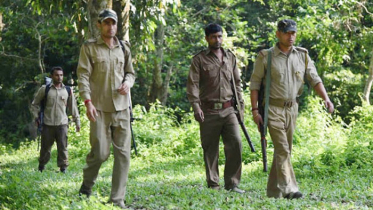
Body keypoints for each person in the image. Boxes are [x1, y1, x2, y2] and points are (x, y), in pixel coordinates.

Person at [250, 19, 334, 199]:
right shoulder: (266, 56)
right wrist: (255, 111)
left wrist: (326, 99)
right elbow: (255, 85)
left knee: (285, 149)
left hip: (292, 109)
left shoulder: (302, 55)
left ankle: (274, 192)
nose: (291, 36)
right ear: (278, 34)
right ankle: (290, 189)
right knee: (282, 149)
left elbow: (314, 79)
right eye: (287, 33)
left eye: (293, 33)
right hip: (272, 108)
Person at [76, 8, 135, 209]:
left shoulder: (124, 48)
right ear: (99, 25)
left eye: (114, 23)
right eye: (107, 23)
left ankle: (117, 200)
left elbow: (130, 73)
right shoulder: (89, 48)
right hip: (99, 108)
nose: (111, 27)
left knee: (123, 155)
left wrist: (128, 83)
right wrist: (87, 102)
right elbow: (83, 76)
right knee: (100, 153)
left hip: (122, 108)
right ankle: (86, 186)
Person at [187, 23, 245, 194]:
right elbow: (193, 85)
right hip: (208, 110)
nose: (217, 40)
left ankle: (232, 184)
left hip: (229, 110)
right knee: (210, 149)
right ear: (207, 38)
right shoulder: (199, 60)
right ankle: (213, 184)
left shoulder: (230, 57)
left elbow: (237, 84)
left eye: (219, 36)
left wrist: (240, 107)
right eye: (213, 37)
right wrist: (196, 107)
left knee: (236, 143)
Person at [31, 66, 80, 173]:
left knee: (63, 147)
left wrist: (77, 121)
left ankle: (63, 168)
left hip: (62, 124)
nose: (59, 77)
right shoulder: (45, 89)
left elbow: (73, 107)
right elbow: (34, 104)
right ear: (52, 76)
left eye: (61, 75)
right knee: (45, 148)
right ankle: (41, 166)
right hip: (47, 124)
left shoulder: (67, 90)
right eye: (57, 75)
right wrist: (36, 116)